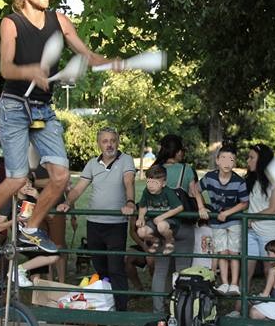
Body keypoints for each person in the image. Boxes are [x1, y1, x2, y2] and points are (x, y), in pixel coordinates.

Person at [0, 0, 128, 263]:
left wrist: (111, 62)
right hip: (14, 107)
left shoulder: (60, 21)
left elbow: (88, 56)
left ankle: (29, 227)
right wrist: (31, 71)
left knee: (60, 176)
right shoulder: (11, 23)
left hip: (42, 109)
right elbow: (5, 68)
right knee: (16, 179)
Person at [58, 127, 136, 310]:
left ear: (117, 142)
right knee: (100, 268)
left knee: (116, 268)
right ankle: (104, 306)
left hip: (116, 225)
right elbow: (78, 188)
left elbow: (129, 181)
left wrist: (131, 203)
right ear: (99, 144)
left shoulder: (126, 160)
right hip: (94, 224)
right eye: (105, 141)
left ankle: (121, 311)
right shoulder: (92, 163)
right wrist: (68, 202)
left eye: (112, 141)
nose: (109, 144)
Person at [149, 134, 205, 313]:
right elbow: (194, 193)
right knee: (183, 271)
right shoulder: (186, 170)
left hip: (161, 225)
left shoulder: (155, 170)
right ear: (178, 151)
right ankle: (180, 311)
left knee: (160, 271)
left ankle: (158, 311)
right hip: (183, 225)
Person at [198, 146, 249, 295]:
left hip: (233, 220)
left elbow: (244, 203)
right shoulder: (209, 177)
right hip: (216, 221)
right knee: (221, 252)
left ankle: (234, 284)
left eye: (231, 159)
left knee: (233, 252)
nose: (227, 162)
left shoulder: (239, 181)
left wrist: (228, 213)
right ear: (217, 161)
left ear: (235, 162)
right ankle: (224, 283)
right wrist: (201, 207)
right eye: (224, 159)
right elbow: (195, 189)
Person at [244, 143, 275, 289]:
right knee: (246, 271)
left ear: (262, 160)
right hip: (250, 231)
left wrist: (251, 217)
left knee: (269, 271)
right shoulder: (251, 180)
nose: (248, 161)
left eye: (252, 157)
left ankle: (272, 307)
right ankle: (239, 309)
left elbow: (273, 209)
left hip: (269, 232)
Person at [136, 164, 183, 255]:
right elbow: (143, 206)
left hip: (169, 221)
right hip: (153, 221)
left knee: (161, 225)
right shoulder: (146, 191)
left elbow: (179, 207)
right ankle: (155, 240)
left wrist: (162, 217)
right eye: (149, 182)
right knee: (140, 232)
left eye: (155, 182)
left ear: (163, 183)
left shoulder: (168, 192)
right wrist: (141, 217)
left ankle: (170, 241)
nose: (151, 186)